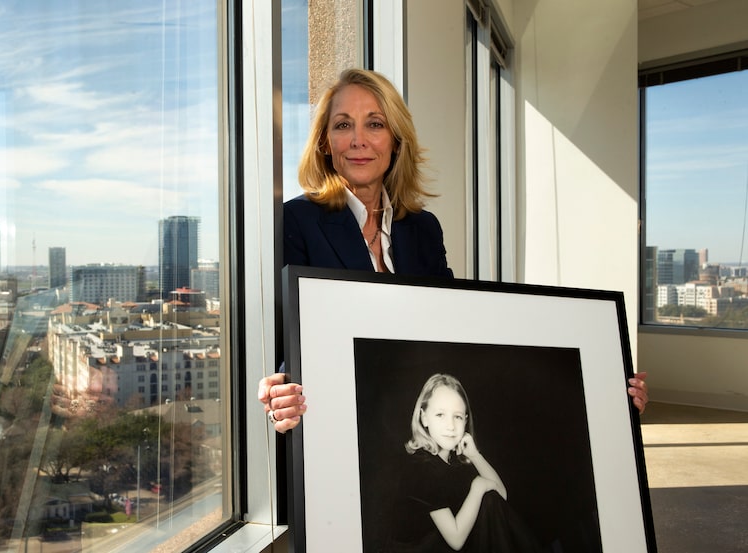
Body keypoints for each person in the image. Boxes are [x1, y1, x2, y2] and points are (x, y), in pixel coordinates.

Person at [258, 68, 649, 433]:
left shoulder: (423, 229)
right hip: (337, 423)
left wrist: (605, 387)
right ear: (326, 142)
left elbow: (457, 331)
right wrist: (279, 390)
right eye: (343, 125)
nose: (359, 139)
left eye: (375, 124)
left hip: (415, 420)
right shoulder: (295, 221)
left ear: (396, 140)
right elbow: (289, 340)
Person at [387, 373, 543, 552]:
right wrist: (477, 487)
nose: (451, 426)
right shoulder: (421, 467)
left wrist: (475, 455)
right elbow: (456, 539)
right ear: (424, 418)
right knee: (485, 499)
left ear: (466, 420)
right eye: (440, 414)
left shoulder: (453, 462)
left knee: (491, 501)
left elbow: (501, 494)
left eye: (458, 417)